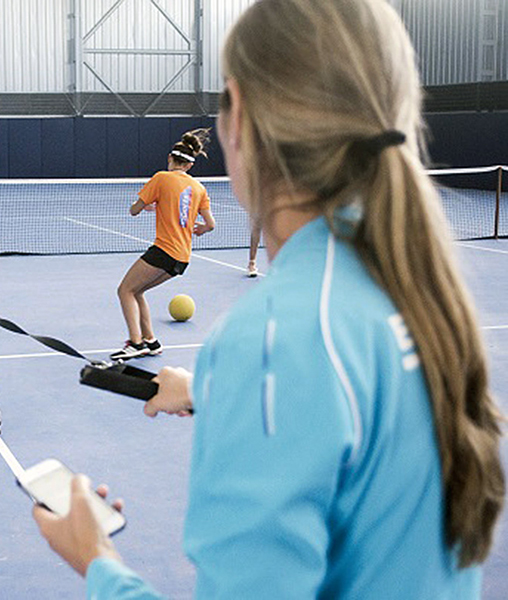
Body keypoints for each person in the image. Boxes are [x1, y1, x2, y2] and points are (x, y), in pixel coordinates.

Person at [33, 1, 504, 597]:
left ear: (240, 116)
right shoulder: (417, 285)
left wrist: (96, 561)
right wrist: (213, 390)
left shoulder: (276, 336)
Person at [110, 130, 216, 361]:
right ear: (189, 165)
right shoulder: (199, 188)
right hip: (182, 259)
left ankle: (135, 343)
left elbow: (134, 210)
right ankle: (151, 341)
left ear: (170, 158)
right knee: (137, 291)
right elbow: (210, 225)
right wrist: (199, 228)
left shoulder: (161, 178)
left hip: (164, 251)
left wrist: (145, 205)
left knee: (124, 290)